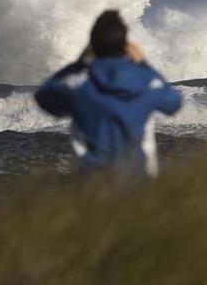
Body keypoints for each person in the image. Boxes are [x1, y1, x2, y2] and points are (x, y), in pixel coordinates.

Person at [35, 10, 182, 178]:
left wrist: (78, 64)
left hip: (89, 183)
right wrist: (143, 64)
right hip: (136, 183)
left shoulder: (78, 84)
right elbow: (174, 103)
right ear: (124, 45)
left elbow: (44, 96)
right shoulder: (146, 82)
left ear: (93, 45)